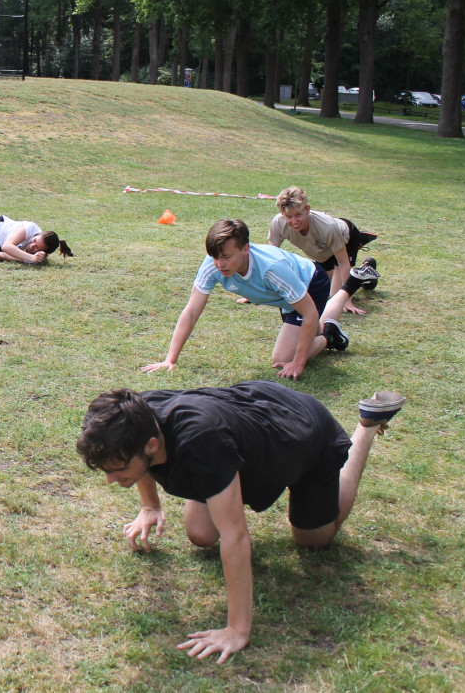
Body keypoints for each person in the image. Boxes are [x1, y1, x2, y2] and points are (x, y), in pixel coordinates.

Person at [76, 382, 405, 663]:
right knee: (201, 534)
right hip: (250, 426)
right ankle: (227, 478)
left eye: (117, 469)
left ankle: (367, 426)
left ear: (151, 445)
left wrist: (236, 629)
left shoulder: (201, 443)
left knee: (314, 539)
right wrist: (150, 505)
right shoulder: (136, 418)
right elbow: (140, 463)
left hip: (301, 435)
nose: (110, 479)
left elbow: (236, 537)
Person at [142, 219, 373, 380]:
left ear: (246, 249)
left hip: (309, 283)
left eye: (226, 257)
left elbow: (309, 313)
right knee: (308, 330)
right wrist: (170, 359)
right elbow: (192, 311)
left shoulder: (272, 269)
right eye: (214, 257)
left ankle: (330, 334)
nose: (219, 264)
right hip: (285, 297)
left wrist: (298, 363)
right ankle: (347, 292)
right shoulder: (212, 265)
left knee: (285, 357)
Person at [269, 187, 379, 315]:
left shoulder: (328, 227)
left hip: (345, 238)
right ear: (282, 214)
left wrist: (347, 299)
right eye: (289, 216)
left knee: (336, 296)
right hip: (323, 252)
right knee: (321, 288)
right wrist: (261, 290)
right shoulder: (278, 223)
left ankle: (361, 255)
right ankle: (365, 272)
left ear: (307, 209)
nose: (294, 222)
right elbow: (272, 258)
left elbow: (343, 263)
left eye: (298, 215)